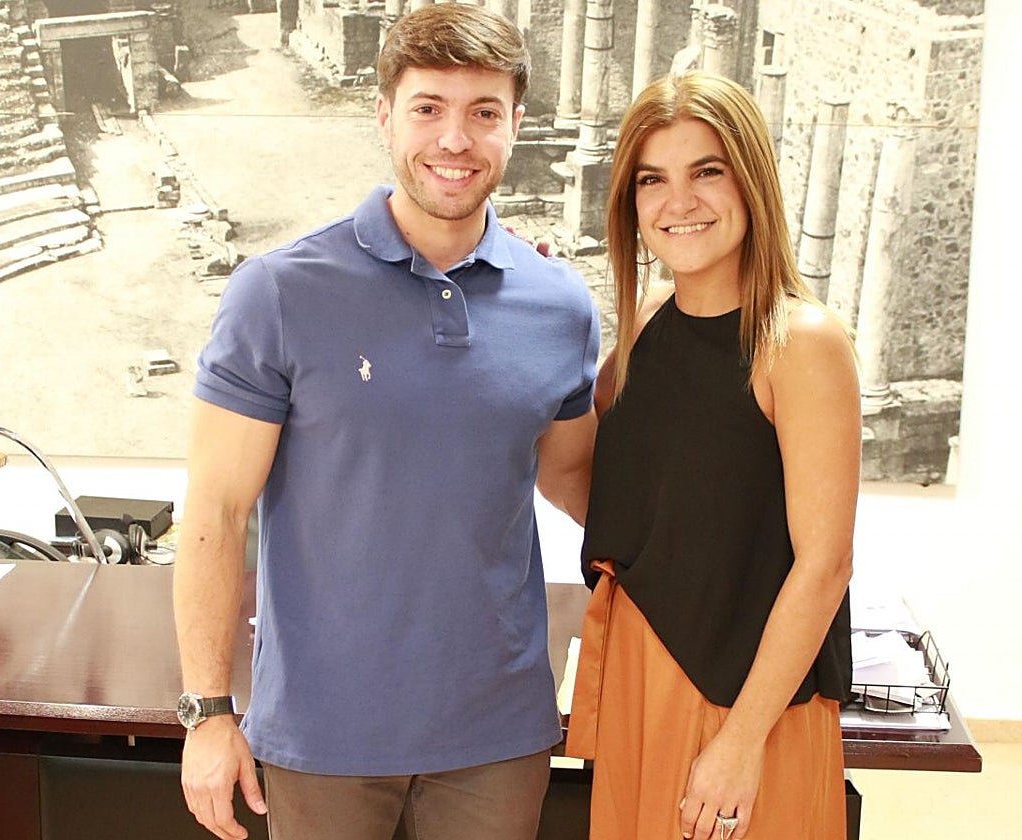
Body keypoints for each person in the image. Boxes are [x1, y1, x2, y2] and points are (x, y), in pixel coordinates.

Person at [173, 5, 599, 840]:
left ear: (517, 123)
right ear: (384, 115)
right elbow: (215, 512)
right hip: (323, 733)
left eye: (483, 113)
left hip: (498, 734)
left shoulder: (562, 306)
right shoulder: (280, 292)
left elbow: (578, 480)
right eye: (428, 108)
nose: (455, 140)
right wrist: (207, 712)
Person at [565, 71, 859, 840]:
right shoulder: (639, 340)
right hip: (641, 678)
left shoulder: (801, 344)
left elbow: (824, 564)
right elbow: (619, 490)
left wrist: (739, 742)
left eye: (707, 171)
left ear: (750, 181)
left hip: (746, 698)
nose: (679, 202)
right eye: (652, 180)